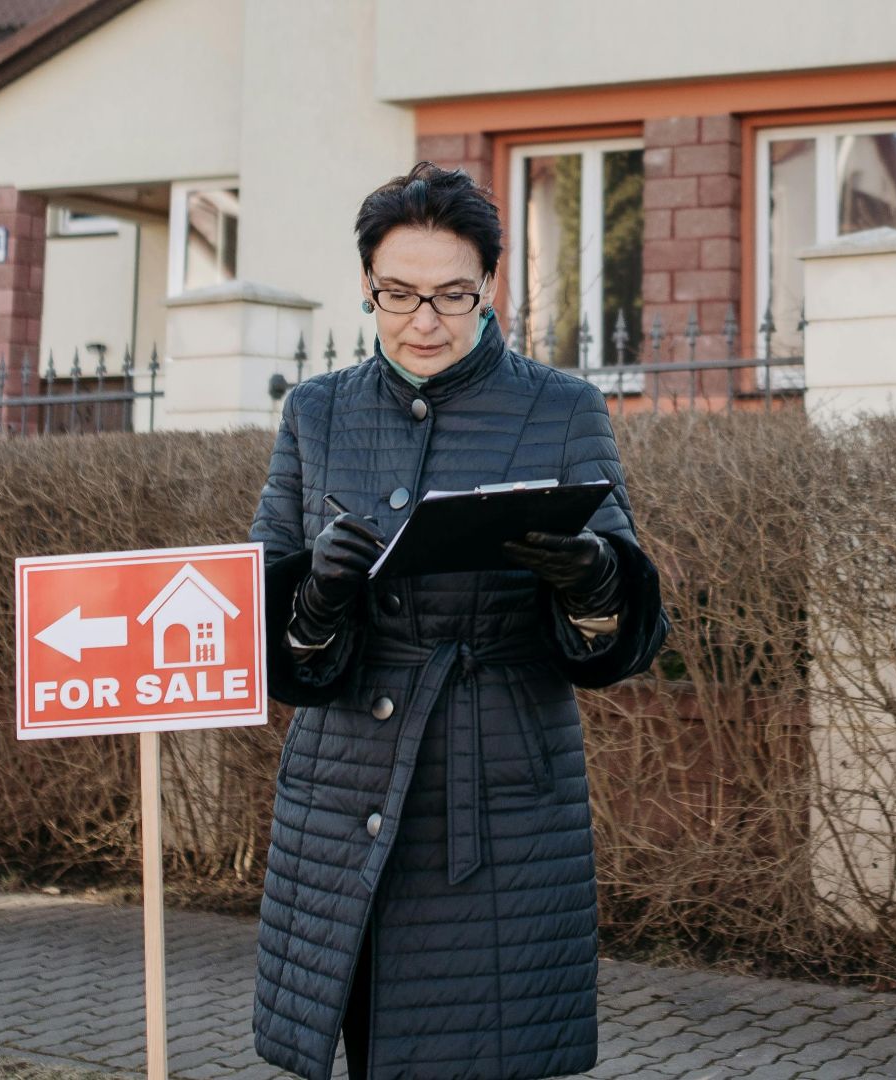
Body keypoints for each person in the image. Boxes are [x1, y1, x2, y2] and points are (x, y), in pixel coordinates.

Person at [250, 161, 668, 1080]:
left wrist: (592, 582)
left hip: (500, 791)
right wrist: (315, 602)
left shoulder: (562, 409)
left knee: (488, 1051)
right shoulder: (316, 415)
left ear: (489, 288)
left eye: (451, 294)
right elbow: (263, 622)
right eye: (397, 294)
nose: (424, 321)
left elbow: (626, 621)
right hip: (340, 792)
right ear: (366, 285)